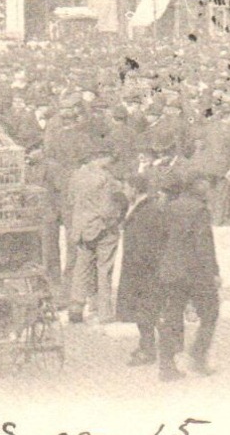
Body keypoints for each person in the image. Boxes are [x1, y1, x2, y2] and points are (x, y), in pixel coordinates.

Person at [156, 171, 221, 380]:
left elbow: (161, 238)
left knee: (172, 316)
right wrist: (214, 273)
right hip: (195, 271)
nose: (210, 189)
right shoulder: (199, 211)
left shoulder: (169, 208)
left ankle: (166, 366)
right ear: (199, 186)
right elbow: (204, 246)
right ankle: (197, 355)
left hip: (170, 269)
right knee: (210, 312)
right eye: (207, 185)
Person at [64, 149, 126, 323]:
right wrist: (116, 220)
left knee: (81, 268)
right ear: (101, 158)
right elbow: (107, 209)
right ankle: (105, 312)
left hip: (82, 229)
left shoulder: (76, 176)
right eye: (110, 160)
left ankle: (76, 308)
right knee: (104, 269)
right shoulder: (106, 178)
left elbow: (70, 201)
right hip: (102, 228)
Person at [116, 171, 166, 368]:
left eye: (126, 187)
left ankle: (149, 350)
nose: (124, 191)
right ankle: (157, 346)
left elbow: (146, 246)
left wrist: (139, 267)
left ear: (135, 190)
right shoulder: (140, 207)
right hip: (141, 268)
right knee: (147, 311)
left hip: (143, 270)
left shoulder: (146, 211)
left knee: (147, 311)